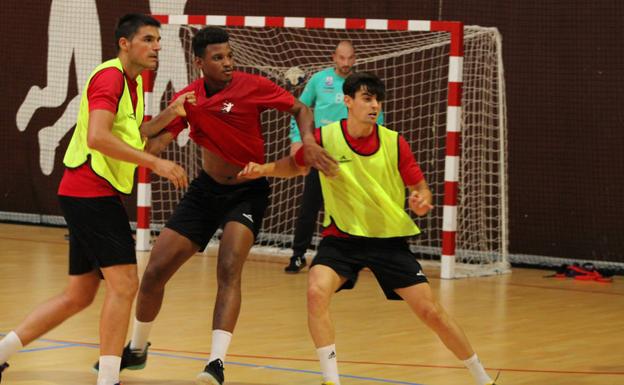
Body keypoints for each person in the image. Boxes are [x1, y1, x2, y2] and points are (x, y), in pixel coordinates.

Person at [103, 26, 336, 385]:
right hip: (204, 192)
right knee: (153, 274)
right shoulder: (189, 98)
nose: (227, 63)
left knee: (228, 268)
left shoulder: (251, 86)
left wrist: (307, 140)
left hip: (247, 192)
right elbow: (153, 144)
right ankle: (137, 348)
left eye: (229, 55)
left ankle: (216, 363)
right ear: (199, 63)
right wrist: (153, 144)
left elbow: (301, 108)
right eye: (218, 57)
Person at [239, 72, 498, 385]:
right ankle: (330, 380)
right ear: (348, 102)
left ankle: (482, 378)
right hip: (342, 238)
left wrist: (421, 199)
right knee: (315, 291)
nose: (374, 105)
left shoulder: (394, 142)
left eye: (377, 99)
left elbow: (420, 186)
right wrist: (263, 169)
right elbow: (295, 165)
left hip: (387, 241)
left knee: (431, 312)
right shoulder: (325, 137)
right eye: (366, 98)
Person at [0, 13, 193, 385]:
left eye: (158, 40)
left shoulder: (133, 84)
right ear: (125, 43)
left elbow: (133, 136)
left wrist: (172, 116)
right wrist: (156, 162)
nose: (157, 47)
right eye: (148, 40)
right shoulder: (110, 77)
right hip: (90, 191)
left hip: (89, 192)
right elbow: (99, 137)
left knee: (79, 294)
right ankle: (108, 379)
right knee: (123, 285)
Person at [285, 40, 384, 273]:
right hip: (321, 154)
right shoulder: (320, 80)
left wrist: (375, 152)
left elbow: (376, 118)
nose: (346, 63)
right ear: (333, 57)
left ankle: (359, 256)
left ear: (355, 58)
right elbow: (299, 109)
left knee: (353, 207)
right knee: (309, 206)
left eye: (350, 58)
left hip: (352, 156)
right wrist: (296, 139)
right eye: (341, 58)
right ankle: (298, 255)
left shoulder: (363, 86)